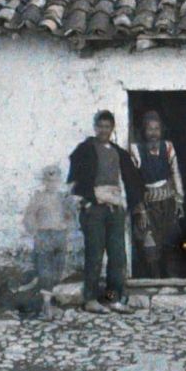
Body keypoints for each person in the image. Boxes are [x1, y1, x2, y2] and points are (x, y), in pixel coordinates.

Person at [67, 109, 145, 313]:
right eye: (100, 126)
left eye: (107, 126)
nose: (104, 130)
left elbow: (131, 178)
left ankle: (112, 298)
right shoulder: (85, 149)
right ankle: (91, 299)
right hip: (94, 209)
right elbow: (76, 178)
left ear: (112, 128)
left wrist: (131, 203)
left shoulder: (118, 152)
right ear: (95, 127)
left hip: (115, 209)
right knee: (94, 254)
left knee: (117, 255)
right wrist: (87, 201)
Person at [132, 110, 186, 281]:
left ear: (161, 130)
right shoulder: (136, 149)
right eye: (150, 129)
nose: (154, 133)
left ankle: (173, 280)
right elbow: (133, 182)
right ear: (144, 130)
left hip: (168, 203)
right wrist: (140, 210)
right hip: (148, 206)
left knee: (172, 241)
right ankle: (155, 281)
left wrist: (179, 199)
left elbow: (175, 172)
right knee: (149, 244)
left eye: (157, 129)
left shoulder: (168, 147)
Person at [21, 166, 70, 319]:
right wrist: (35, 232)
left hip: (59, 237)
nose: (52, 184)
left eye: (55, 181)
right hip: (44, 236)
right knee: (45, 272)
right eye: (49, 181)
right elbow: (29, 217)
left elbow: (70, 216)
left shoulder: (63, 198)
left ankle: (50, 303)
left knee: (58, 271)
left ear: (59, 181)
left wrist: (66, 227)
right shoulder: (38, 197)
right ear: (44, 181)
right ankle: (46, 306)